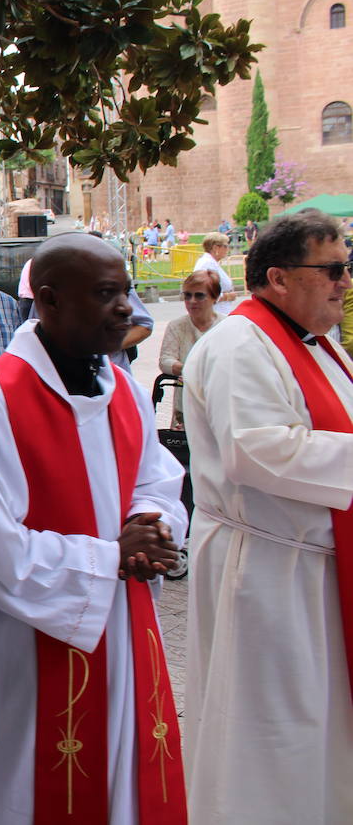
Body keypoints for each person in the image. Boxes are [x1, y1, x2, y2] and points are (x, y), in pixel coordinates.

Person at [0, 232, 187, 825]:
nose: (126, 308)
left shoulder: (121, 384)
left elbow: (156, 479)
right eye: (105, 294)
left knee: (124, 778)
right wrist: (108, 558)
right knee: (31, 793)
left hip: (122, 624)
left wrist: (152, 528)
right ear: (48, 301)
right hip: (33, 643)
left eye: (125, 292)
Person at [182, 211, 353, 823]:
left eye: (346, 267)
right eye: (332, 269)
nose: (345, 281)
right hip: (266, 572)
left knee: (320, 730)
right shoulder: (239, 343)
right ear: (277, 277)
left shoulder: (318, 345)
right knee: (269, 735)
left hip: (313, 570)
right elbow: (256, 447)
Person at [158, 270, 223, 429]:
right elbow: (165, 360)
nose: (192, 301)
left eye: (199, 295)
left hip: (220, 400)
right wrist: (187, 369)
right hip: (186, 403)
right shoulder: (177, 326)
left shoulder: (226, 325)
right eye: (187, 295)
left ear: (214, 297)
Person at [194, 232, 238, 315]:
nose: (227, 249)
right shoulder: (207, 264)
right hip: (214, 315)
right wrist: (227, 296)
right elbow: (203, 293)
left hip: (220, 313)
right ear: (215, 248)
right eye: (225, 246)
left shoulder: (212, 263)